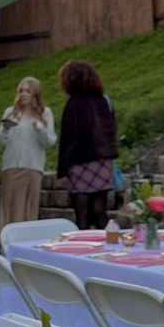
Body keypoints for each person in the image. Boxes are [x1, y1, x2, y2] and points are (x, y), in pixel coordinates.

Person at [57, 60, 118, 230]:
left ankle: (84, 249)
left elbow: (68, 139)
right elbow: (111, 129)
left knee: (82, 215)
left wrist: (63, 169)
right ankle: (106, 248)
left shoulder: (73, 104)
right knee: (100, 211)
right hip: (102, 161)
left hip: (79, 162)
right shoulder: (103, 101)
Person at [0, 76, 56, 240]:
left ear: (35, 94)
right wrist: (6, 129)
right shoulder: (11, 112)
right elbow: (0, 140)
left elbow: (49, 142)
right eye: (21, 91)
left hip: (33, 167)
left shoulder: (45, 113)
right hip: (12, 166)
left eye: (27, 91)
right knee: (10, 207)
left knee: (29, 208)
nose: (23, 94)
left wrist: (40, 129)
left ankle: (27, 241)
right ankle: (5, 241)